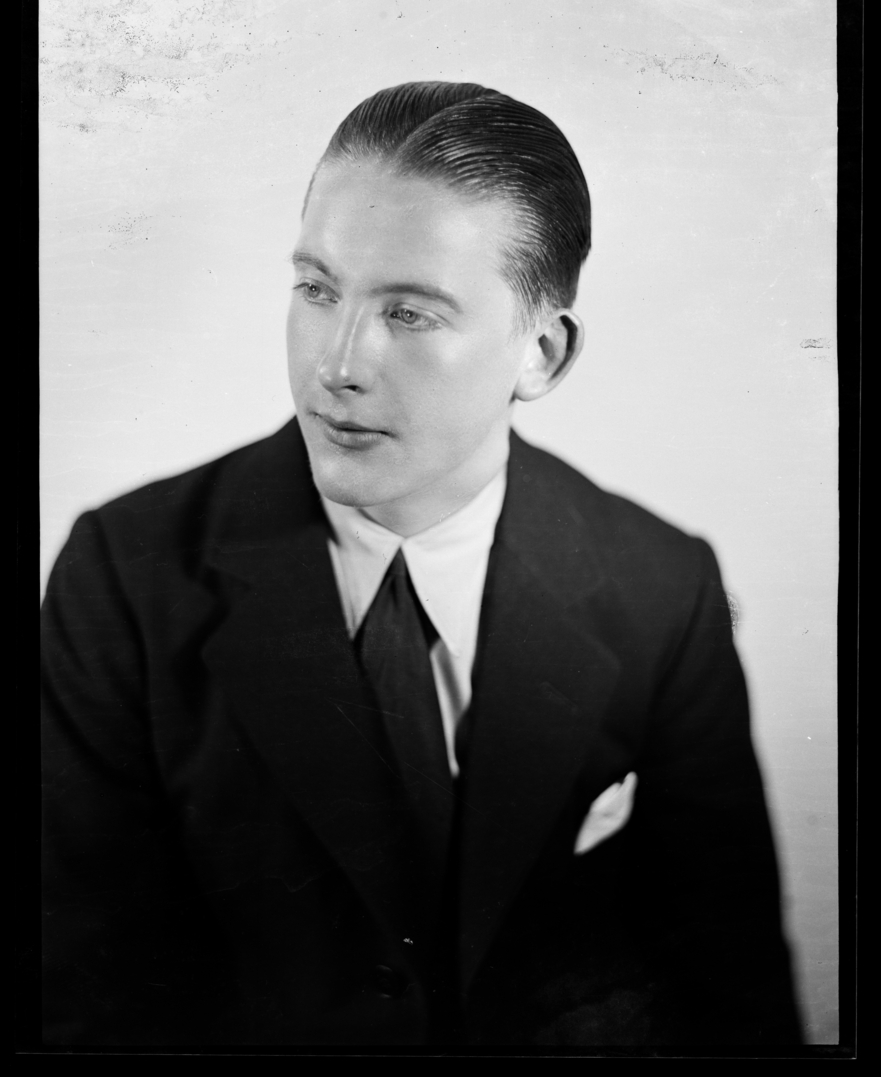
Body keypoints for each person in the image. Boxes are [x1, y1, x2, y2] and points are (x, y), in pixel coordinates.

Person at [41, 81, 803, 1047]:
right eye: (317, 290)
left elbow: (732, 991)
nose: (337, 365)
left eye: (408, 313)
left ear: (542, 354)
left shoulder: (661, 585)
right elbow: (81, 999)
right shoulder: (126, 572)